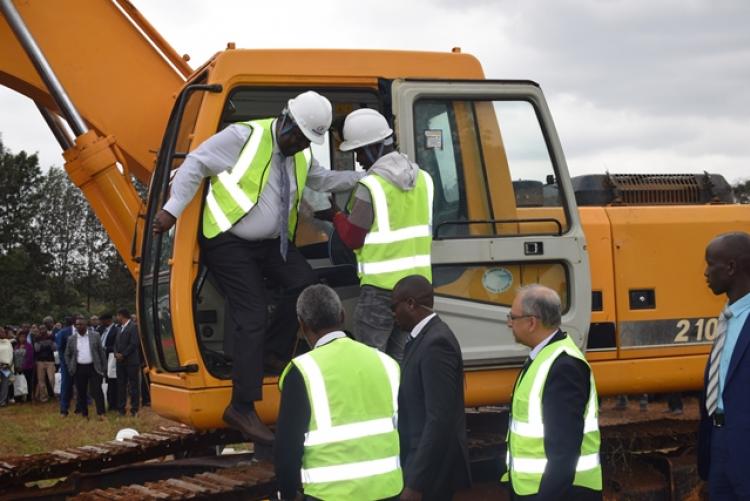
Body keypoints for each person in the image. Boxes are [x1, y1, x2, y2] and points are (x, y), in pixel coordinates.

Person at [152, 90, 362, 444]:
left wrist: (365, 178)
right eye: (297, 136)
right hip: (228, 241)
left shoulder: (300, 153)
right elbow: (195, 163)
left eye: (307, 140)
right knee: (251, 314)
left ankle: (274, 353)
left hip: (271, 244)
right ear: (285, 119)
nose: (299, 144)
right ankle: (242, 406)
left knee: (306, 286)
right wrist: (172, 209)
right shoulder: (243, 137)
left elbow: (322, 180)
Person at [314, 109, 433, 362]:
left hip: (381, 291)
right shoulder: (423, 180)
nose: (358, 160)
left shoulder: (372, 185)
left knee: (373, 361)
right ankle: (402, 403)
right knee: (403, 359)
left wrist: (335, 216)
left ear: (374, 148)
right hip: (417, 288)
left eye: (359, 152)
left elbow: (352, 238)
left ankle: (380, 403)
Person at [275, 284, 402, 501]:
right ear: (342, 315)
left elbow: (287, 448)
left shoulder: (302, 371)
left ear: (302, 325)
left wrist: (287, 495)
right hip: (387, 490)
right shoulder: (387, 363)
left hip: (330, 494)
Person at [502, 285, 602, 501]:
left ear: (531, 322)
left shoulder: (563, 366)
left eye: (513, 316)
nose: (509, 322)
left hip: (556, 494)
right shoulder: (547, 357)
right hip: (537, 489)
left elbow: (564, 451)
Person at [390, 275, 471, 500]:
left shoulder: (437, 343)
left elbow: (439, 418)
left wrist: (416, 483)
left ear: (411, 304)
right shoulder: (422, 338)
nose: (392, 314)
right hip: (422, 460)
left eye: (393, 306)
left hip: (432, 470)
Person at [698, 231, 750, 498]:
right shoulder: (728, 318)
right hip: (719, 443)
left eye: (710, 264)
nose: (705, 273)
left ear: (731, 268)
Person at [64, 317, 106, 419]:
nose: (79, 326)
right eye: (77, 325)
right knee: (81, 392)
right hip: (79, 368)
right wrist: (70, 366)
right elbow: (67, 354)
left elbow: (101, 352)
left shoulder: (95, 336)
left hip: (93, 367)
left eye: (81, 324)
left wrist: (103, 367)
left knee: (97, 391)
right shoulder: (72, 339)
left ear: (86, 325)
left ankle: (101, 413)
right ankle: (84, 413)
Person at [114, 308, 140, 416]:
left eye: (118, 316)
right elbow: (115, 343)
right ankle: (121, 408)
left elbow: (134, 344)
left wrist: (123, 354)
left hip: (131, 361)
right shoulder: (120, 328)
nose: (117, 318)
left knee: (133, 386)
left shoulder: (133, 327)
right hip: (120, 362)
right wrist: (116, 353)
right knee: (121, 385)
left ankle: (134, 409)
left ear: (122, 316)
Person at [55, 316, 76, 414]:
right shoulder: (62, 333)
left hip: (81, 363)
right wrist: (67, 362)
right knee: (66, 386)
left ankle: (80, 407)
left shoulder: (85, 332)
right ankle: (64, 408)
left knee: (81, 386)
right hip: (67, 364)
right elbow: (60, 349)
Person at [98, 313, 119, 412]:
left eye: (102, 320)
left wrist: (105, 348)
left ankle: (113, 404)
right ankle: (108, 402)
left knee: (112, 382)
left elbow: (117, 345)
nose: (100, 323)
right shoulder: (101, 330)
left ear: (108, 320)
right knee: (105, 381)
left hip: (111, 359)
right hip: (102, 359)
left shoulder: (116, 330)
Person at [33, 328, 56, 402]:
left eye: (44, 330)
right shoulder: (37, 338)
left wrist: (43, 345)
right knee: (41, 380)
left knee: (51, 379)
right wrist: (47, 345)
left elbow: (55, 348)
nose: (43, 331)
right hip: (40, 361)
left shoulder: (51, 337)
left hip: (50, 361)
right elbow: (37, 349)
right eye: (41, 330)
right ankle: (43, 397)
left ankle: (55, 394)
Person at [0, 327, 14, 406]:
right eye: (0, 331)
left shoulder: (8, 343)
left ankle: (2, 401)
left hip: (6, 367)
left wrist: (7, 364)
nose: (2, 333)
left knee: (5, 384)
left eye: (3, 331)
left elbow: (10, 354)